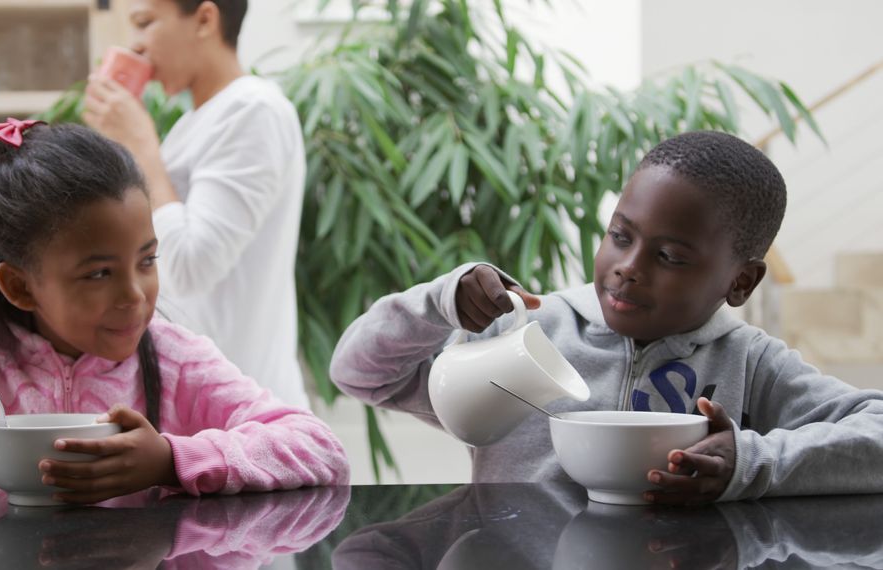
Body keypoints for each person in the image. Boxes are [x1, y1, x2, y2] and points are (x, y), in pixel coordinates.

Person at [0, 120, 347, 503]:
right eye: (98, 273)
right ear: (20, 286)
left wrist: (170, 460)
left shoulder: (175, 360)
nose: (135, 294)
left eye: (148, 260)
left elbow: (319, 450)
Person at [330, 130, 883, 504]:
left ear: (740, 282)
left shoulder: (751, 364)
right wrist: (439, 302)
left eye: (669, 257)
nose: (628, 268)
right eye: (620, 236)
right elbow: (359, 373)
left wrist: (750, 461)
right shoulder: (523, 332)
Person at [81, 0, 310, 408]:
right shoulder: (196, 121)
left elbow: (190, 267)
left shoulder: (253, 109)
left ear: (205, 19)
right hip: (204, 409)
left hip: (249, 414)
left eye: (145, 23)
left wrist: (140, 148)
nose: (136, 46)